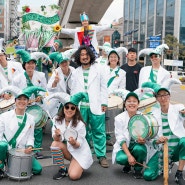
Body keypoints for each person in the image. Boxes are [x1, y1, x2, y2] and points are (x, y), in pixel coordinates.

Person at [71, 45, 109, 168]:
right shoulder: (76, 72)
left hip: (96, 105)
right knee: (82, 132)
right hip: (81, 107)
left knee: (99, 131)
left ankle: (101, 155)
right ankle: (84, 156)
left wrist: (104, 103)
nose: (84, 57)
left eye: (86, 54)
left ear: (90, 55)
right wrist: (73, 106)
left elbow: (104, 87)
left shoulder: (99, 68)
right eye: (81, 55)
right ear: (78, 57)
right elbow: (73, 91)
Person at [141, 82, 185, 185]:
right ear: (156, 98)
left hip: (175, 149)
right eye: (160, 95)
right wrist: (157, 140)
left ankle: (179, 174)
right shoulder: (152, 114)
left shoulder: (178, 108)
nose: (163, 98)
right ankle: (166, 163)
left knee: (184, 141)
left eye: (165, 94)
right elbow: (149, 138)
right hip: (161, 150)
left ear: (169, 96)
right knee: (148, 176)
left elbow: (183, 113)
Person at [0, 86, 45, 179]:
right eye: (19, 99)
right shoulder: (4, 116)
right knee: (2, 145)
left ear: (28, 102)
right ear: (15, 101)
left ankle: (12, 163)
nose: (22, 101)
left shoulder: (31, 118)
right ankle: (1, 166)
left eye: (25, 99)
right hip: (6, 147)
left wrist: (29, 146)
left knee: (38, 169)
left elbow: (31, 137)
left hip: (21, 151)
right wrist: (4, 148)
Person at [112, 92, 158, 179]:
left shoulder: (144, 117)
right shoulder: (119, 118)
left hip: (137, 146)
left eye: (134, 101)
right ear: (125, 104)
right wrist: (129, 156)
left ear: (138, 103)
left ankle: (138, 169)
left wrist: (145, 140)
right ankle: (128, 164)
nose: (132, 103)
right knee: (121, 158)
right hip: (125, 147)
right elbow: (120, 138)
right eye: (129, 101)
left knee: (140, 149)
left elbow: (150, 135)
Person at [50, 92, 93, 180]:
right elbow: (56, 139)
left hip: (79, 152)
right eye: (67, 107)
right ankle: (63, 169)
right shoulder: (56, 120)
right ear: (63, 108)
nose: (69, 110)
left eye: (72, 108)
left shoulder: (80, 124)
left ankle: (77, 165)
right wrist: (57, 135)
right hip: (68, 151)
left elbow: (78, 145)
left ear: (76, 110)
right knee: (54, 144)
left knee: (73, 176)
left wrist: (74, 143)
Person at [13, 50, 47, 159]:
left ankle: (37, 149)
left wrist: (40, 96)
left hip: (36, 106)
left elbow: (45, 90)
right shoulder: (17, 78)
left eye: (33, 63)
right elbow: (15, 93)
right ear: (24, 65)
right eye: (28, 63)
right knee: (24, 127)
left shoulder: (41, 75)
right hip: (24, 106)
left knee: (37, 127)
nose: (31, 65)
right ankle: (21, 147)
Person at [47, 49, 76, 117]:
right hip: (60, 102)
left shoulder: (74, 71)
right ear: (59, 64)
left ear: (69, 61)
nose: (64, 64)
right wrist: (55, 82)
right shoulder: (56, 72)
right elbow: (49, 88)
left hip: (72, 101)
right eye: (61, 63)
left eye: (65, 61)